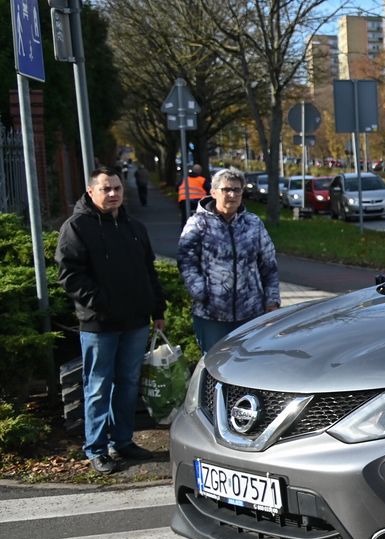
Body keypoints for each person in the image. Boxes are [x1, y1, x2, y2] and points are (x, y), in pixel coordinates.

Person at [55, 166, 166, 475]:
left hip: (135, 322)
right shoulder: (76, 227)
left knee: (128, 384)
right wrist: (101, 303)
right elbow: (69, 275)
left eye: (117, 188)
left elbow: (149, 271)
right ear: (91, 192)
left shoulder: (134, 226)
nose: (114, 193)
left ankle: (123, 440)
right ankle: (96, 448)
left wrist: (157, 309)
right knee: (98, 387)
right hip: (99, 325)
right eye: (106, 189)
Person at [178, 168, 280, 353]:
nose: (232, 195)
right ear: (214, 192)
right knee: (215, 365)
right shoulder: (198, 223)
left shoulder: (253, 223)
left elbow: (269, 264)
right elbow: (186, 262)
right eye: (226, 190)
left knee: (248, 362)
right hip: (211, 315)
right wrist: (202, 293)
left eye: (237, 190)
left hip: (250, 312)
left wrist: (271, 302)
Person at [177, 164, 209, 229]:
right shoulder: (202, 180)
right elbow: (209, 189)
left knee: (185, 216)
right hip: (198, 201)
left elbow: (177, 187)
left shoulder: (184, 178)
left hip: (184, 200)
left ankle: (184, 230)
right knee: (201, 216)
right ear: (200, 171)